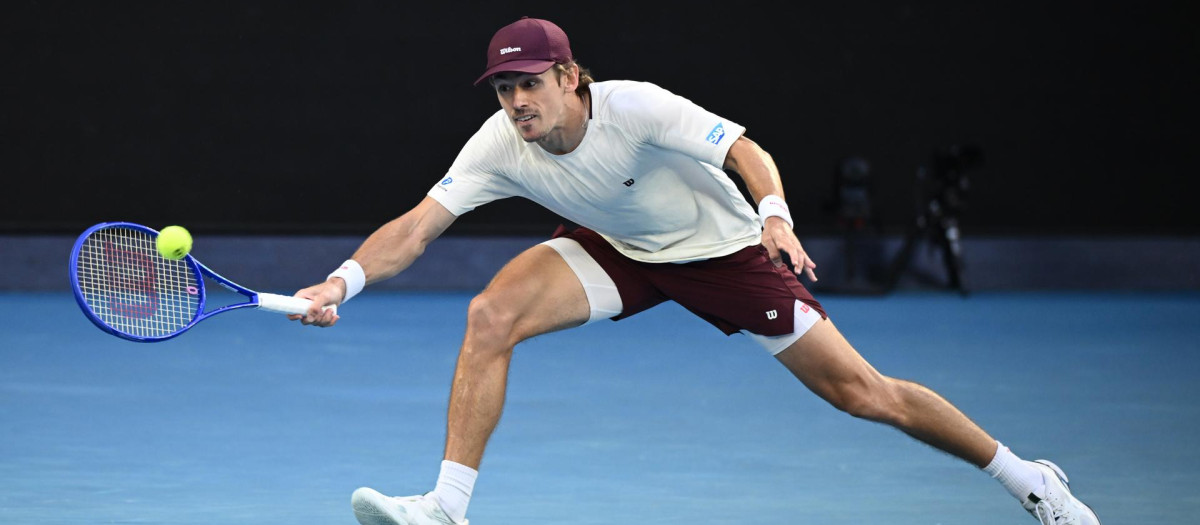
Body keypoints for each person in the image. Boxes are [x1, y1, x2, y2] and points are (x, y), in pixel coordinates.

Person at [290, 16, 1100, 525]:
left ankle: (1030, 479)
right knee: (490, 314)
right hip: (620, 248)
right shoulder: (500, 142)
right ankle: (447, 507)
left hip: (724, 252)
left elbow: (745, 150)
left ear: (570, 77)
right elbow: (417, 227)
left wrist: (774, 214)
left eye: (529, 84)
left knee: (864, 393)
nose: (516, 103)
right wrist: (340, 281)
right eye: (504, 88)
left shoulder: (636, 107)